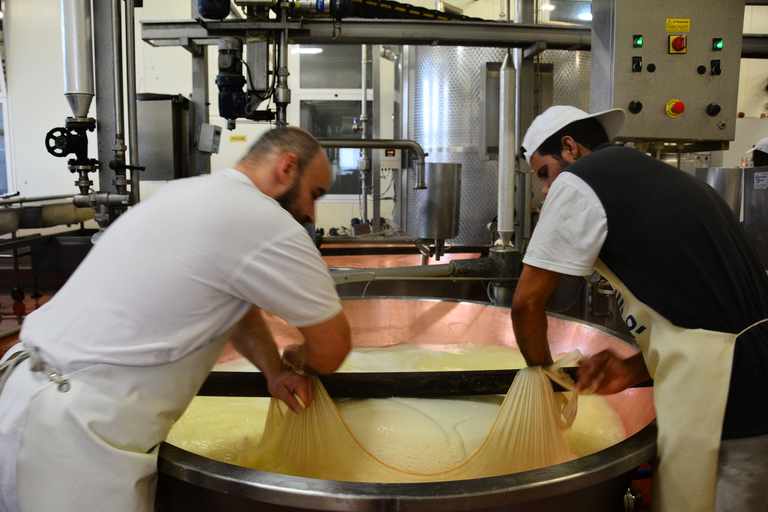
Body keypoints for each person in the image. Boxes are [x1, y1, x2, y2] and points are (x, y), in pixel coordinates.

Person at [0, 126, 352, 512]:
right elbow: (332, 350)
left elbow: (234, 302)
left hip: (23, 396)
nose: (311, 213)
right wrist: (298, 357)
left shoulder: (185, 192)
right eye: (314, 194)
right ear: (287, 167)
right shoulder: (267, 221)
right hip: (78, 438)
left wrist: (273, 372)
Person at [511, 105, 768, 512]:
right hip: (747, 378)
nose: (545, 189)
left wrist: (547, 383)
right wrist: (631, 369)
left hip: (730, 402)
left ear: (569, 147)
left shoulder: (580, 179)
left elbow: (526, 304)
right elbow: (704, 320)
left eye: (543, 173)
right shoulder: (663, 178)